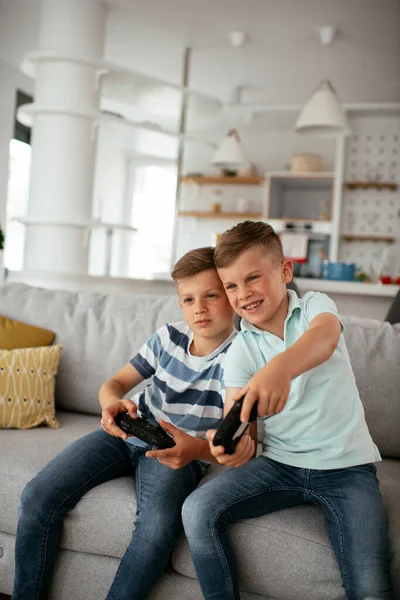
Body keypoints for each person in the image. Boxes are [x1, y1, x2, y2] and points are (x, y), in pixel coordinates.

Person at [182, 221, 394, 600]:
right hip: (280, 465)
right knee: (197, 509)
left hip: (347, 469)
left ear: (285, 271)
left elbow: (324, 339)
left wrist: (279, 369)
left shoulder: (315, 305)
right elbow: (240, 421)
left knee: (371, 587)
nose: (243, 294)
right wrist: (229, 445)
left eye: (253, 278)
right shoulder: (241, 351)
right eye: (231, 286)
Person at [12, 246, 236, 600]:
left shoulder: (242, 356)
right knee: (38, 495)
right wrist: (110, 405)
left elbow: (233, 442)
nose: (200, 308)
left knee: (156, 528)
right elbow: (113, 385)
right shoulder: (168, 337)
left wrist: (194, 450)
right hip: (126, 431)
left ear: (232, 294)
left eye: (212, 295)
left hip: (174, 452)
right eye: (189, 299)